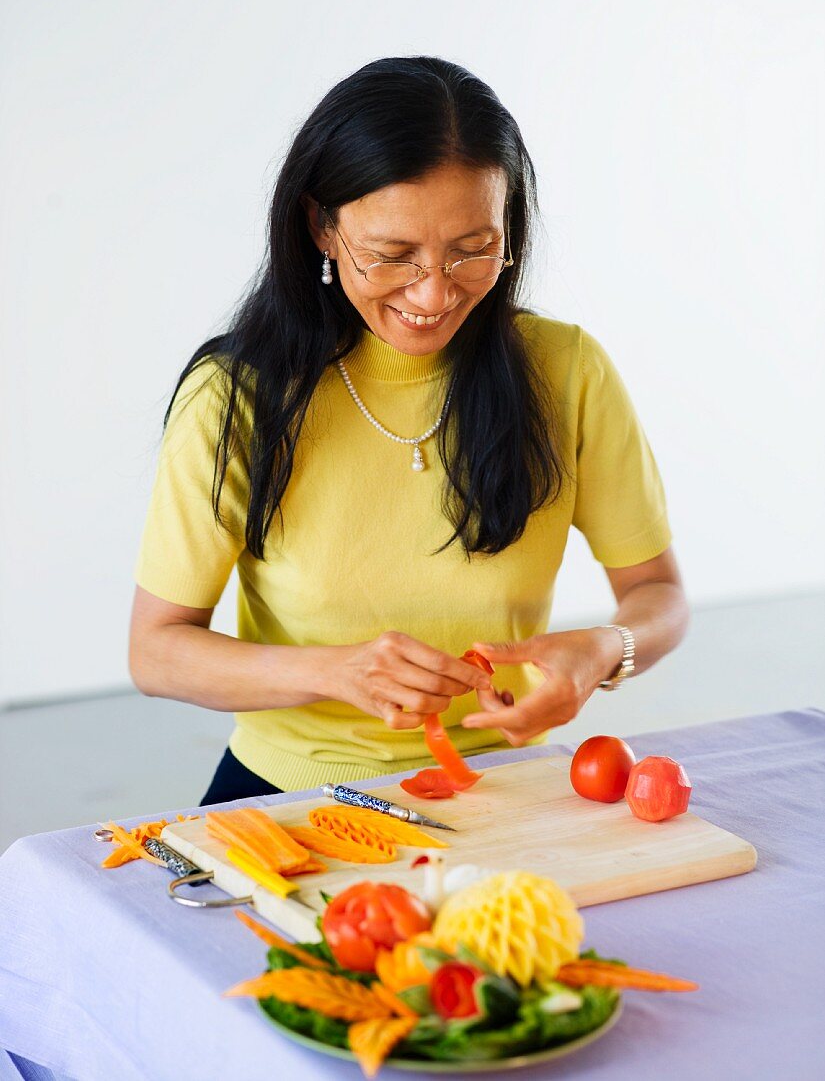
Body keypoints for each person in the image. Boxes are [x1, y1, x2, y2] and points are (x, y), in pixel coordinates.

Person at [129, 56, 688, 807]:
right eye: (392, 255)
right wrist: (332, 672)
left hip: (503, 787)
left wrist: (602, 650)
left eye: (472, 248)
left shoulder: (566, 370)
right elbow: (155, 652)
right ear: (321, 228)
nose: (433, 292)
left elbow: (657, 594)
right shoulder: (238, 397)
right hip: (289, 789)